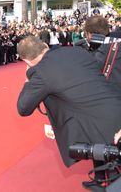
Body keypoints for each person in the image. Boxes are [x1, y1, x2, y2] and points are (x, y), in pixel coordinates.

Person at [16, 36, 121, 190]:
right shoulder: (76, 51)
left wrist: (28, 78)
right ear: (45, 45)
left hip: (101, 122)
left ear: (26, 61)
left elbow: (23, 108)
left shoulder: (41, 73)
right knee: (94, 139)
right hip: (113, 105)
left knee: (115, 177)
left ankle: (107, 184)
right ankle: (100, 181)